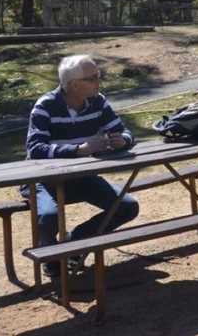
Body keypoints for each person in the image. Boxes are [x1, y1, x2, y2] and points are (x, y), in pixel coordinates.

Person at [21, 54, 139, 278]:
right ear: (73, 85)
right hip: (42, 179)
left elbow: (124, 131)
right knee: (48, 217)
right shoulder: (45, 106)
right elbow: (35, 149)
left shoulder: (98, 101)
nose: (98, 81)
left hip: (81, 176)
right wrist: (79, 150)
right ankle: (51, 257)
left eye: (98, 76)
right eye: (92, 78)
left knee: (127, 207)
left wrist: (123, 140)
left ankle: (76, 241)